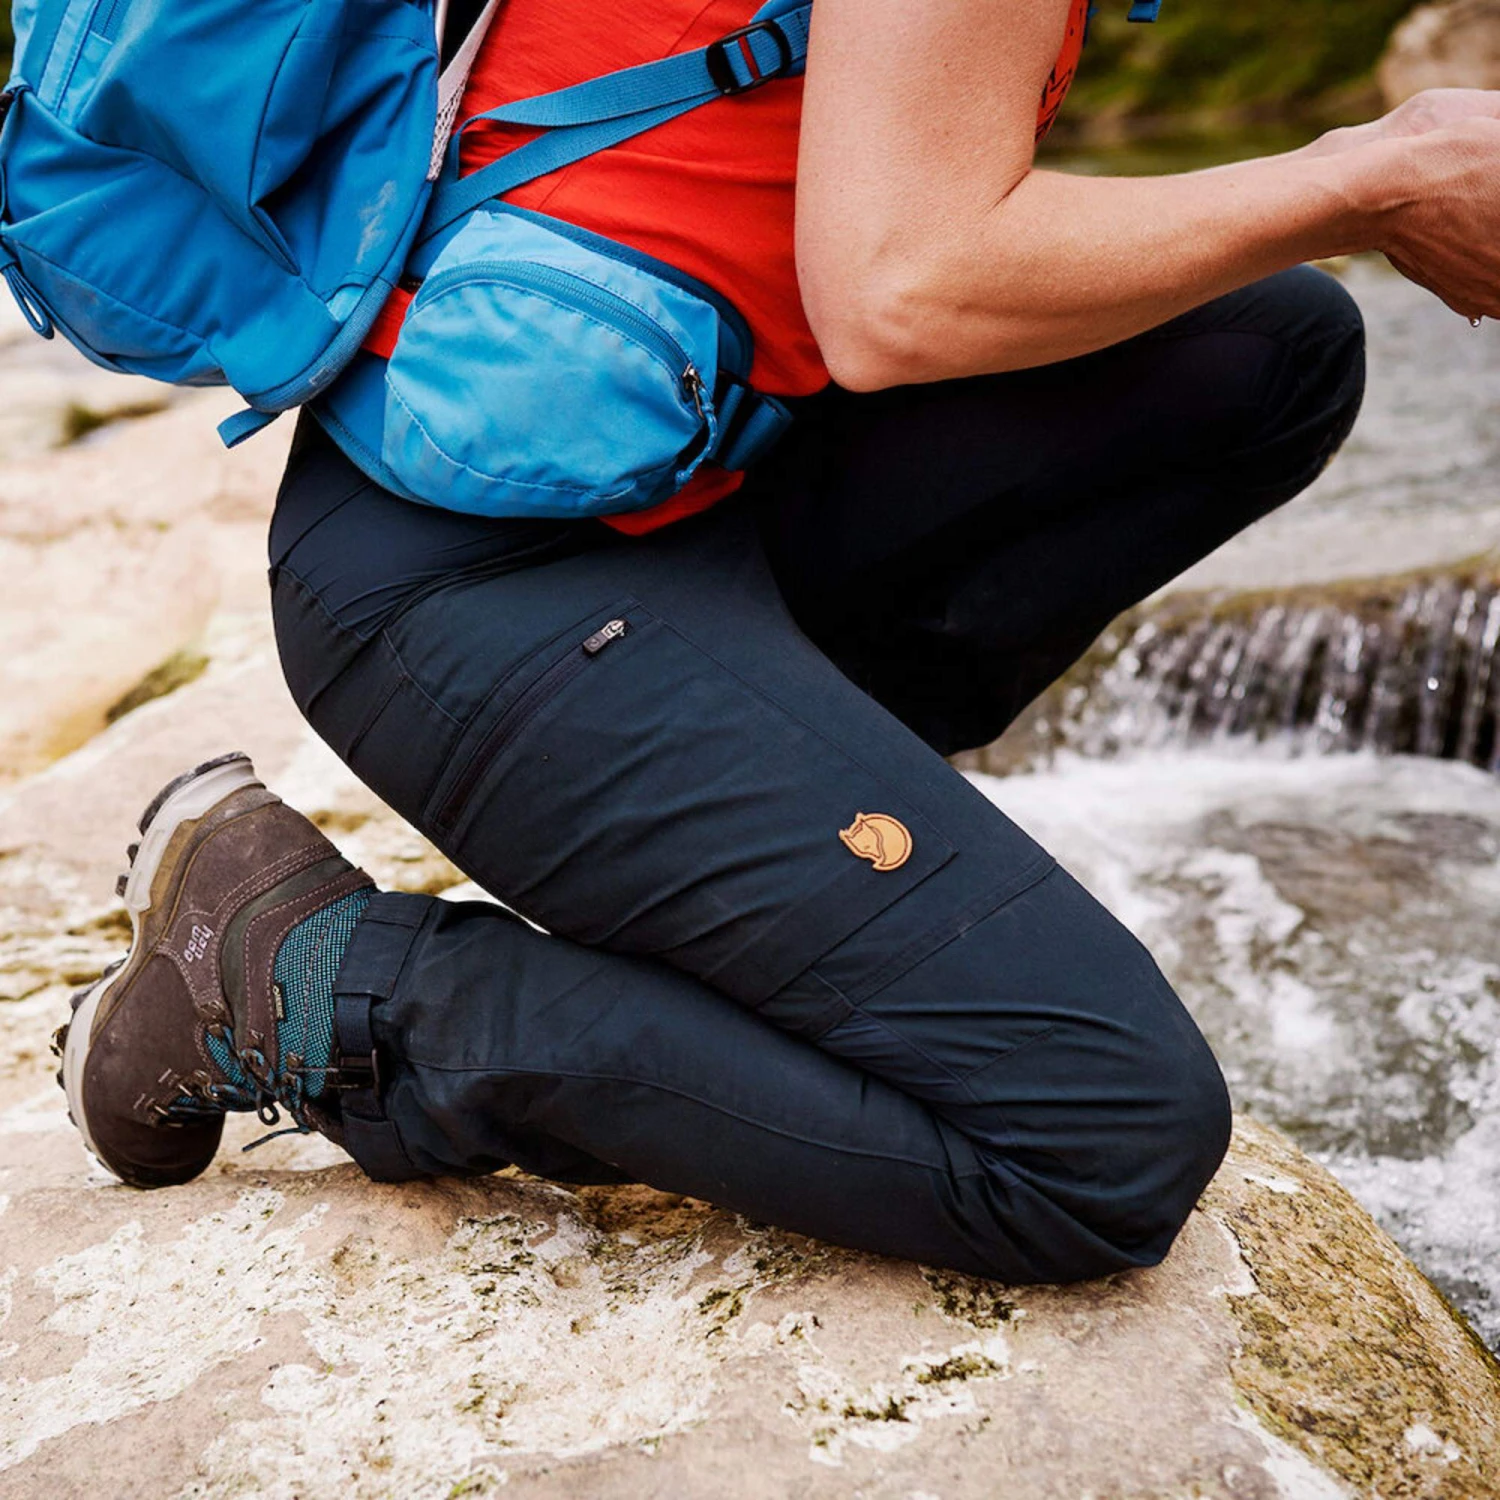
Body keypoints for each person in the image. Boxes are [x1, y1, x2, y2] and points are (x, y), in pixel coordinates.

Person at [51, 0, 1499, 1284]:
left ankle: (789, 874)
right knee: (1098, 1138)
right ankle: (311, 981)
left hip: (683, 481)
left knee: (1269, 349)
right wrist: (1364, 176)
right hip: (472, 582)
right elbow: (903, 290)